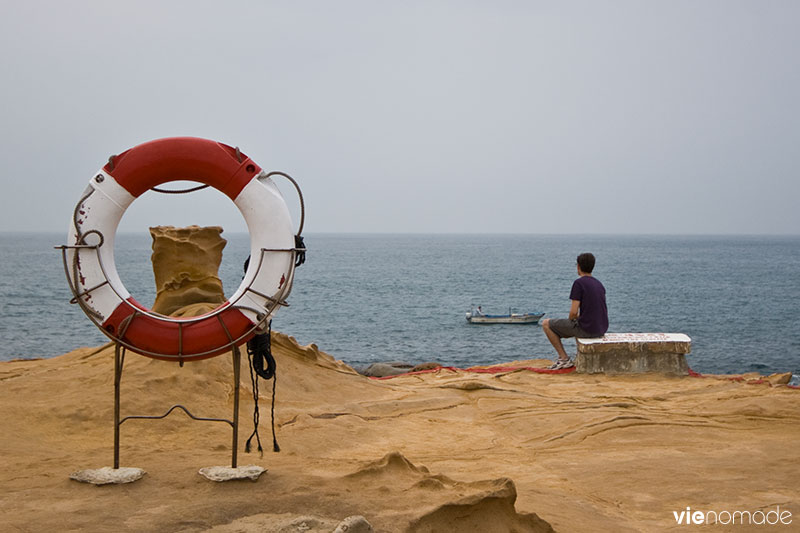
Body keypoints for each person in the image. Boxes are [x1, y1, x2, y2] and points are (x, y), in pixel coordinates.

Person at [541, 252, 608, 369]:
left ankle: (564, 359)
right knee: (566, 326)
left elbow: (573, 313)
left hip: (587, 329)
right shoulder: (599, 284)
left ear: (578, 266)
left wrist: (571, 321)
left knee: (546, 324)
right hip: (600, 328)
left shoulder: (579, 283)